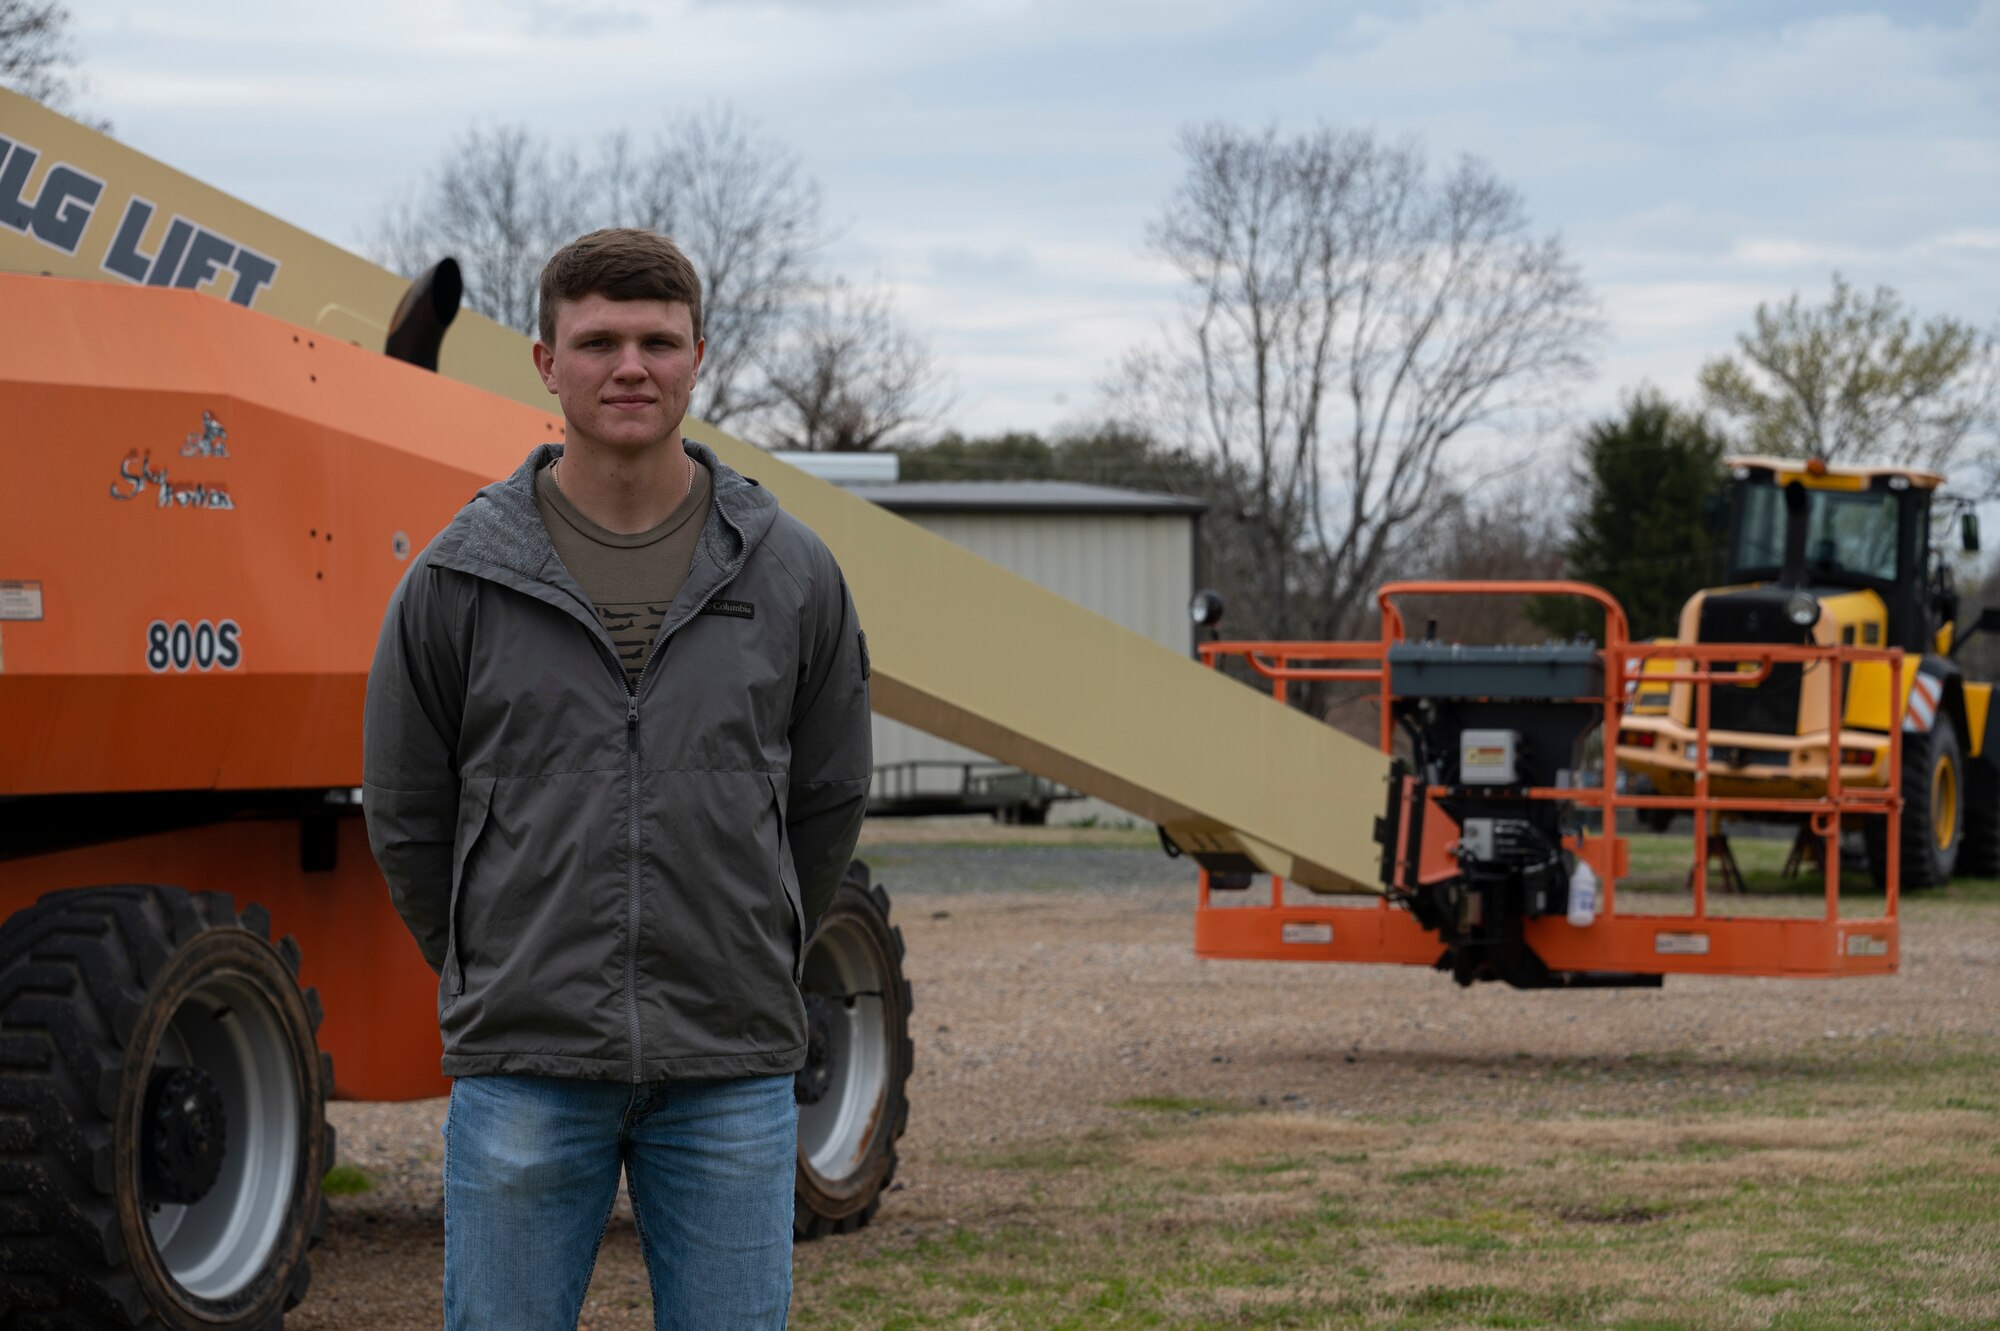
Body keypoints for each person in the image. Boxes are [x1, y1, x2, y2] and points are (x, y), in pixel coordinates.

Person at [362, 227, 872, 1330]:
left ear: (699, 356)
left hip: (729, 1061)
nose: (628, 365)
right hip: (528, 1060)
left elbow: (827, 800)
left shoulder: (790, 573)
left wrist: (757, 940)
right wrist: (490, 958)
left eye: (655, 339)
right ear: (545, 361)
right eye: (596, 341)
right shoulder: (459, 575)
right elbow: (408, 811)